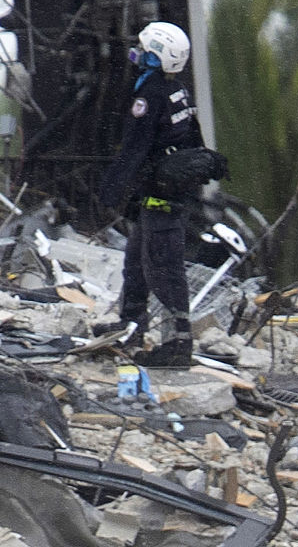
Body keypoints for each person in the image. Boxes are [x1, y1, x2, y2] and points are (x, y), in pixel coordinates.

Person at [97, 21, 224, 369]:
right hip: (167, 193)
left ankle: (178, 343)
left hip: (161, 197)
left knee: (163, 269)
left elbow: (134, 149)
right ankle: (132, 324)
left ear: (154, 56)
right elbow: (193, 139)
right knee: (136, 261)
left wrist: (110, 191)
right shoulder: (178, 91)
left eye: (143, 49)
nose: (136, 54)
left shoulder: (148, 96)